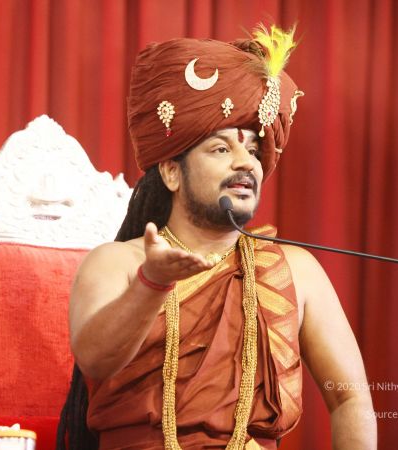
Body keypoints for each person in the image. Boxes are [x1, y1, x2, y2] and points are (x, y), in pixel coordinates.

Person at [57, 25, 377, 450]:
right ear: (172, 172)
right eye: (222, 149)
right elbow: (96, 359)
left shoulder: (296, 270)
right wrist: (152, 283)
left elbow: (351, 398)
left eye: (253, 150)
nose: (246, 163)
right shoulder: (118, 262)